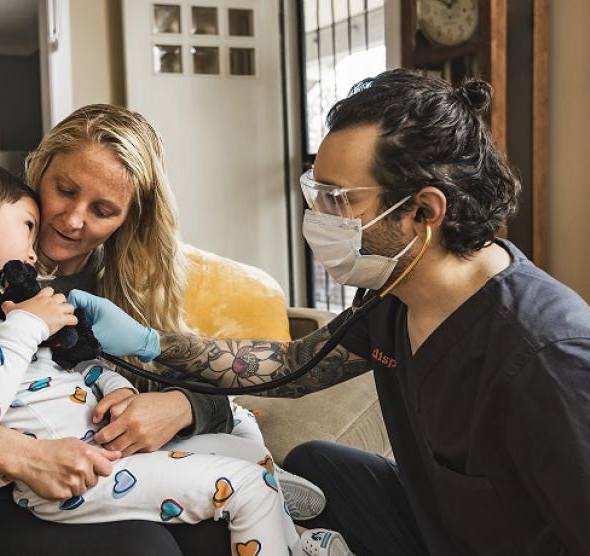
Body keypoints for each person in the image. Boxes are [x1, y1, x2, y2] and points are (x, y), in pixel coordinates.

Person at [68, 70, 590, 556]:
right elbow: (293, 366)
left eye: (339, 200)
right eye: (317, 193)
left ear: (423, 212)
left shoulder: (547, 358)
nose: (319, 218)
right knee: (318, 463)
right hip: (438, 526)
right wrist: (151, 344)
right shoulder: (395, 293)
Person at [0, 105, 318, 556]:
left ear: (129, 219)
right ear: (40, 171)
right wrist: (20, 456)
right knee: (142, 548)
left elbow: (182, 367)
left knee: (223, 524)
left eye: (103, 210)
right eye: (64, 190)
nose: (72, 219)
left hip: (101, 467)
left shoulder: (131, 285)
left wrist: (186, 406)